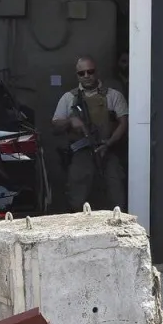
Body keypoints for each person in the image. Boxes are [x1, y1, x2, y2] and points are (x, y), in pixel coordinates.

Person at [52, 55, 128, 211]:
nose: (86, 76)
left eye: (90, 71)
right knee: (77, 197)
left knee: (116, 194)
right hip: (81, 152)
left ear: (96, 72)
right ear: (77, 75)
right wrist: (70, 121)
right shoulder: (69, 98)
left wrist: (109, 143)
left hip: (107, 150)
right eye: (82, 73)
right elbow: (55, 126)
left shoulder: (113, 95)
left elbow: (124, 123)